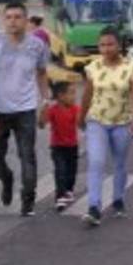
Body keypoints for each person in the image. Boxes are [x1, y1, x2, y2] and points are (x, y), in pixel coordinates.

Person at [0, 3, 51, 216]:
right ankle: (6, 178)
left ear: (26, 21)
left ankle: (28, 199)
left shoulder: (37, 45)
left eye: (18, 17)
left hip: (25, 110)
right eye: (8, 17)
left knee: (27, 155)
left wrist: (45, 102)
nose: (13, 21)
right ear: (3, 20)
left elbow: (42, 73)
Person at [80, 27, 133, 226]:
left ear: (119, 45)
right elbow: (87, 94)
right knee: (96, 162)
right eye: (102, 45)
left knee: (119, 163)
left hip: (122, 123)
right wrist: (80, 117)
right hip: (96, 121)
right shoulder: (93, 67)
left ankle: (118, 200)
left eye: (110, 44)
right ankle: (94, 207)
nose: (106, 49)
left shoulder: (131, 67)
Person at [40, 80, 82, 211]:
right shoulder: (53, 110)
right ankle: (60, 197)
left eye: (74, 93)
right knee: (60, 171)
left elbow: (81, 123)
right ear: (60, 96)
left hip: (72, 146)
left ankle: (68, 189)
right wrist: (43, 109)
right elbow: (41, 124)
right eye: (71, 93)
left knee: (71, 172)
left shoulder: (76, 109)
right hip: (57, 147)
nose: (74, 96)